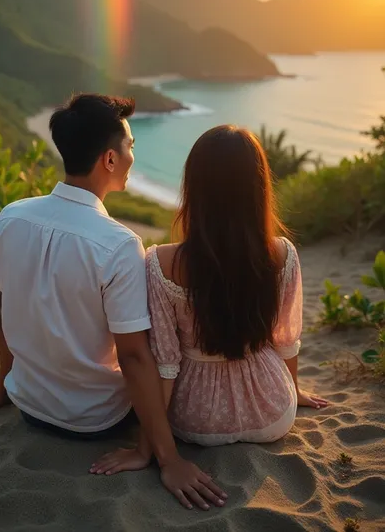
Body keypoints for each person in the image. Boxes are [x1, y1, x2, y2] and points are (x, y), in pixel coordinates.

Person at [0, 93, 226, 511]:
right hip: (96, 422)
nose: (134, 154)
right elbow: (135, 358)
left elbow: (10, 309)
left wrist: (1, 390)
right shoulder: (119, 245)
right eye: (131, 146)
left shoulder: (11, 216)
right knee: (167, 333)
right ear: (110, 160)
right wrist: (169, 459)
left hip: (29, 405)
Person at [92, 125, 327, 475]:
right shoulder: (283, 254)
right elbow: (285, 340)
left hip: (193, 422)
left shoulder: (162, 263)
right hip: (272, 414)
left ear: (195, 189)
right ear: (259, 188)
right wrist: (290, 391)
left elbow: (165, 365)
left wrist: (148, 449)